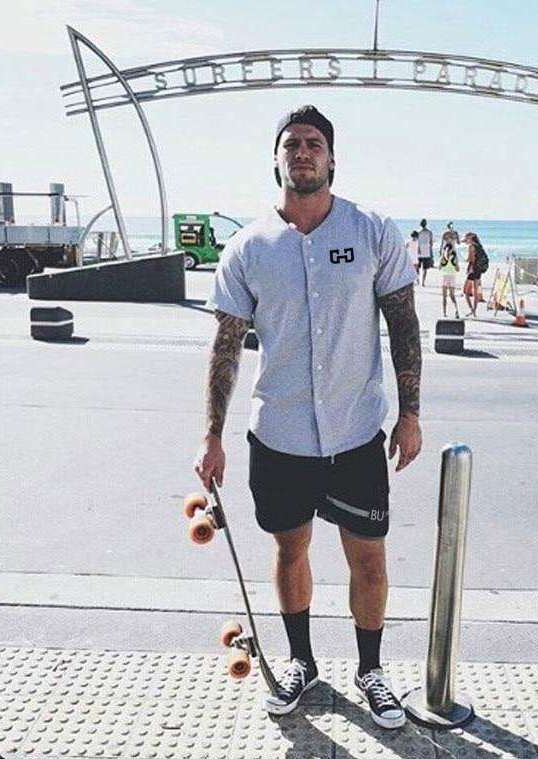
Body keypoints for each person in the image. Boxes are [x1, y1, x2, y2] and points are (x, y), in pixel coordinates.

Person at [194, 105, 422, 730]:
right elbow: (225, 347)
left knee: (368, 559)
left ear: (332, 158)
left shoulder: (373, 230)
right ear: (275, 159)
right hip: (281, 436)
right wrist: (212, 435)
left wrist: (410, 415)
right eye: (291, 143)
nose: (302, 152)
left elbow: (403, 324)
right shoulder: (247, 247)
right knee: (290, 550)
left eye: (314, 143)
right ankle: (301, 662)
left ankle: (371, 670)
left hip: (355, 435)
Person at [463, 231, 488, 317]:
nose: (466, 240)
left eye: (467, 238)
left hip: (472, 270)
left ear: (470, 239)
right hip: (478, 270)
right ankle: (474, 311)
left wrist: (466, 260)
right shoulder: (479, 246)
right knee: (476, 291)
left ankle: (472, 310)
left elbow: (471, 259)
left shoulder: (471, 247)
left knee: (466, 291)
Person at [439, 241, 460, 318]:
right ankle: (456, 310)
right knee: (452, 296)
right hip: (452, 276)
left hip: (444, 276)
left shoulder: (442, 257)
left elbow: (439, 267)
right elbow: (457, 269)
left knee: (444, 297)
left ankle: (444, 313)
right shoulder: (454, 257)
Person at [417, 218, 434, 286]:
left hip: (419, 252)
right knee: (425, 268)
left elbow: (417, 242)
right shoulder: (429, 232)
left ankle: (418, 280)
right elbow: (431, 243)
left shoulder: (418, 232)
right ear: (426, 224)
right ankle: (423, 282)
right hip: (426, 252)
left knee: (417, 268)